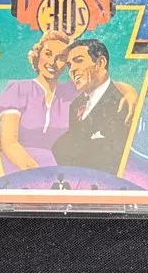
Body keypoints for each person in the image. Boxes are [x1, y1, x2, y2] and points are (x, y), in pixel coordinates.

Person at [0, 31, 76, 170]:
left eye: (61, 58)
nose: (52, 62)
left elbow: (104, 86)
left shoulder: (69, 93)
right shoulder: (18, 89)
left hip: (57, 170)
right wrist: (40, 174)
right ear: (38, 56)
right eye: (48, 54)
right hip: (18, 167)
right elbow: (9, 144)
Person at [51, 39, 133, 173]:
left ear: (100, 63)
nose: (72, 70)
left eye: (78, 61)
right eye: (69, 65)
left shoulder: (123, 102)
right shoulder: (75, 105)